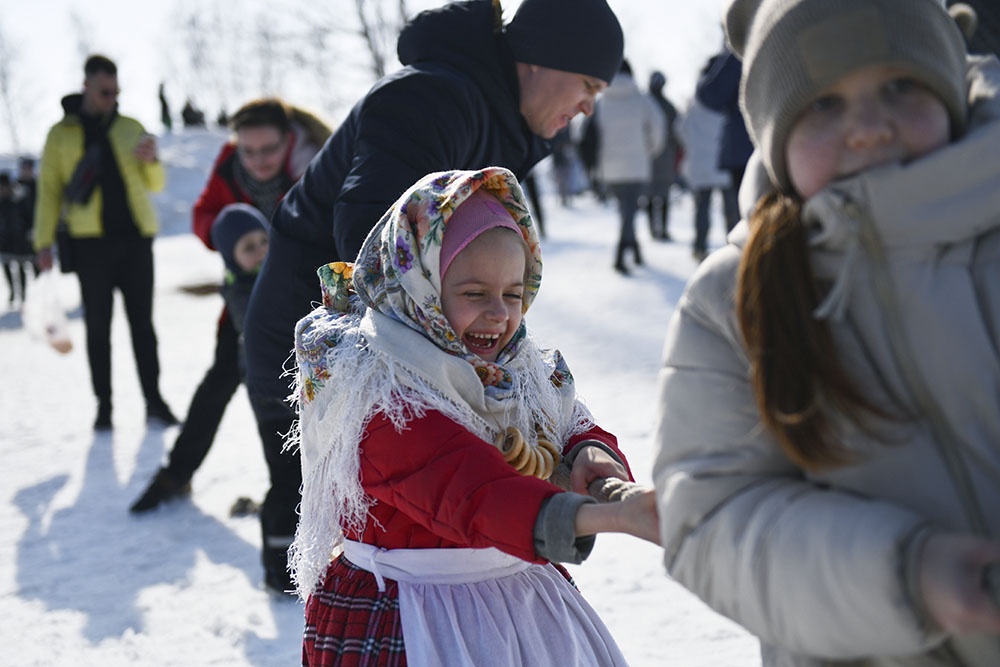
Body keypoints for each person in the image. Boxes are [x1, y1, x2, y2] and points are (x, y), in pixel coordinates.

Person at [653, 1, 1000, 665]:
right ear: (772, 135)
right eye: (822, 105)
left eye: (900, 85)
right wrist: (905, 574)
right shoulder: (731, 302)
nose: (868, 128)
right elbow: (711, 519)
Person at [242, 0, 624, 595]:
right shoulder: (433, 99)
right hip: (321, 348)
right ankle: (289, 603)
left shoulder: (494, 121)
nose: (587, 107)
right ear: (542, 60)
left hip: (396, 347)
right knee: (344, 525)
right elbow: (371, 235)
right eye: (588, 85)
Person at [291, 167, 658, 665]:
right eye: (473, 294)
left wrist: (591, 453)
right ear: (420, 289)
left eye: (513, 293)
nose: (500, 314)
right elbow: (469, 491)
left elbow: (567, 422)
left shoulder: (517, 369)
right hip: (413, 613)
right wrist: (608, 516)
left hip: (518, 596)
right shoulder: (380, 391)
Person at [129, 98, 331, 514]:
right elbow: (203, 217)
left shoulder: (316, 168)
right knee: (220, 381)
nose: (258, 160)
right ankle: (177, 473)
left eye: (269, 150)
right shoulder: (228, 165)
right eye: (249, 151)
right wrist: (231, 230)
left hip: (308, 307)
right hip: (245, 304)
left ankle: (313, 498)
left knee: (306, 399)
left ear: (288, 141)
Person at [33, 54, 176, 431]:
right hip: (89, 244)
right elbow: (48, 191)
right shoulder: (60, 134)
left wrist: (153, 160)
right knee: (98, 328)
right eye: (104, 92)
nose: (111, 98)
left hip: (135, 240)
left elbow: (156, 184)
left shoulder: (131, 127)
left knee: (142, 325)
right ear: (86, 87)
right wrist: (42, 241)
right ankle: (104, 407)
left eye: (115, 92)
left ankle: (154, 402)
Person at [592, 58, 666, 274]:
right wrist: (650, 150)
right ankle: (620, 256)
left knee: (627, 211)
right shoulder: (642, 99)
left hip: (610, 167)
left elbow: (587, 131)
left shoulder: (603, 100)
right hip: (636, 165)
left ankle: (635, 250)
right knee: (629, 211)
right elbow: (658, 126)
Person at [695, 45, 753, 232]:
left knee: (746, 215)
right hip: (784, 144)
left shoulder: (742, 47)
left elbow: (711, 95)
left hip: (743, 146)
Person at [675, 97, 731, 263]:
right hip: (724, 163)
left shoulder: (693, 107)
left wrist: (694, 147)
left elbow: (680, 130)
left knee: (702, 209)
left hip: (700, 165)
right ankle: (734, 246)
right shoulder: (727, 102)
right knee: (731, 209)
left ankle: (700, 246)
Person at [644, 70, 681, 241]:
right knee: (664, 195)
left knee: (650, 195)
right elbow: (678, 133)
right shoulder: (670, 107)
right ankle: (663, 229)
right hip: (666, 157)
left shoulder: (644, 104)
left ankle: (653, 228)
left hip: (648, 156)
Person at [0, 172, 34, 306]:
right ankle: (13, 291)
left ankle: (23, 293)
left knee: (21, 266)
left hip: (20, 238)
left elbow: (28, 215)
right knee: (7, 265)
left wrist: (29, 231)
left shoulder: (19, 198)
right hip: (4, 240)